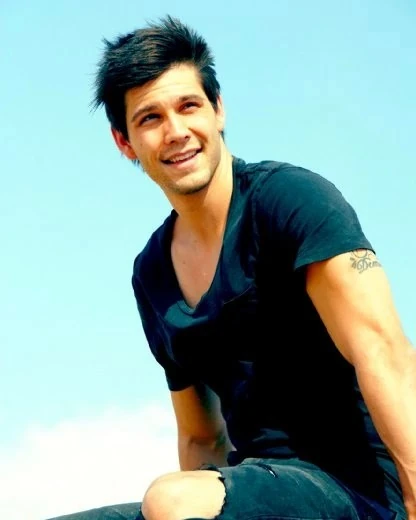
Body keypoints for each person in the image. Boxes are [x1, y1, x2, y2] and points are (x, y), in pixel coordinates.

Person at [48, 15, 416, 520]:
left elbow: (385, 351)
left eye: (188, 106)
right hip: (259, 486)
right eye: (150, 118)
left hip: (360, 490)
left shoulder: (290, 199)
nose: (176, 132)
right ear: (125, 142)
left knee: (171, 499)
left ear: (218, 109)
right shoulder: (152, 272)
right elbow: (201, 438)